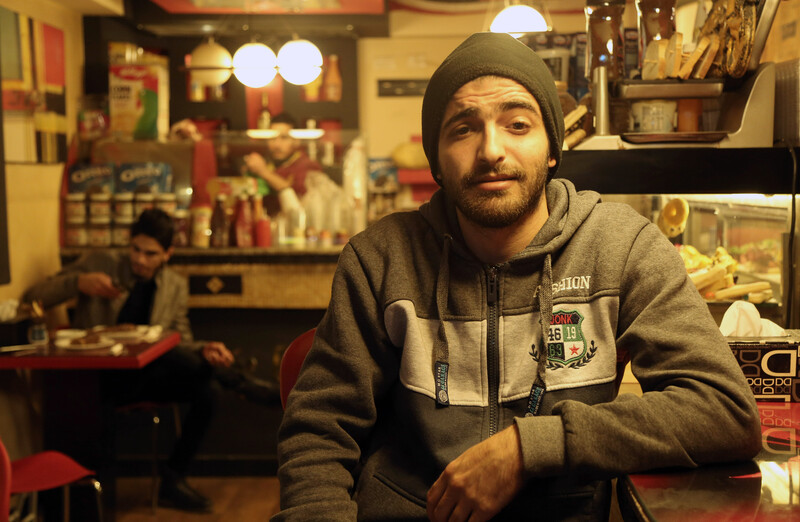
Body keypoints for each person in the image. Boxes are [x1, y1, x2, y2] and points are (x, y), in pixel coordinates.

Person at [273, 32, 761, 521]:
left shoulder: (621, 247)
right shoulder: (380, 258)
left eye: (518, 124)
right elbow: (318, 430)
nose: (491, 150)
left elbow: (722, 410)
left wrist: (530, 447)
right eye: (463, 129)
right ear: (437, 161)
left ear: (552, 148)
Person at [23, 208, 279, 513]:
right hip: (99, 377)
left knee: (206, 392)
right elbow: (32, 298)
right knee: (190, 367)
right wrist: (78, 282)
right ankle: (248, 386)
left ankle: (173, 480)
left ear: (167, 254)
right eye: (136, 249)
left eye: (151, 253)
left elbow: (179, 339)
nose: (140, 259)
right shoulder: (100, 263)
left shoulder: (174, 286)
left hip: (146, 376)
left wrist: (203, 349)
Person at [242, 112, 324, 217]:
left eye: (284, 138)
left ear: (296, 141)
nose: (276, 144)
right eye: (272, 138)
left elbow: (298, 204)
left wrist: (263, 172)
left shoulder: (308, 166)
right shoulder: (269, 163)